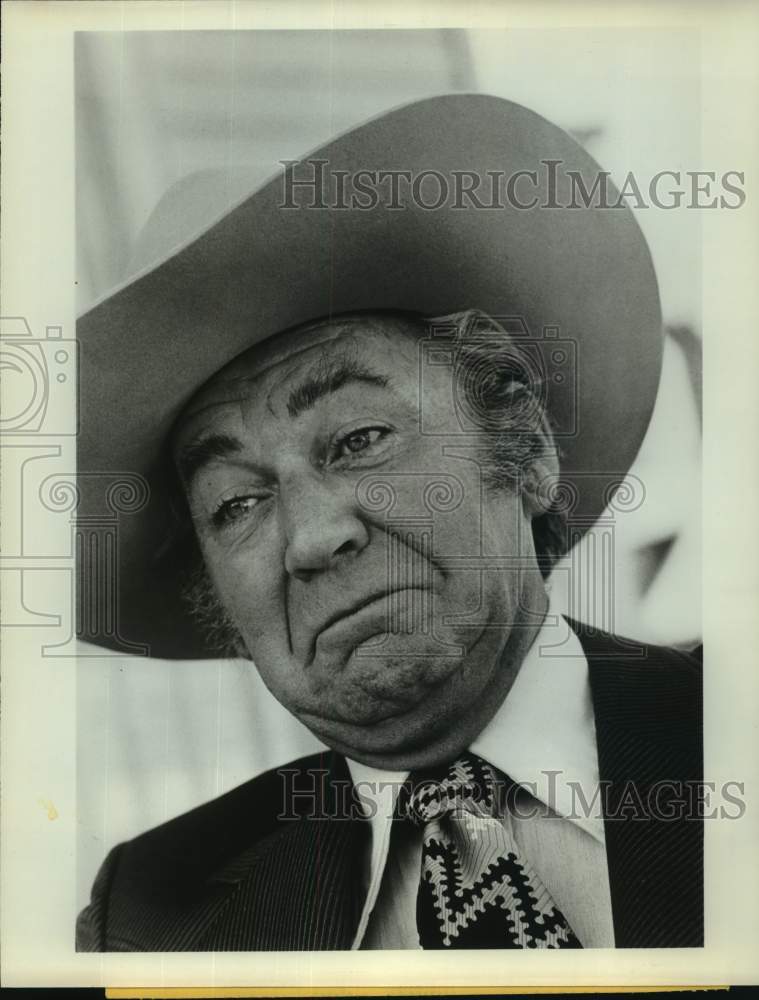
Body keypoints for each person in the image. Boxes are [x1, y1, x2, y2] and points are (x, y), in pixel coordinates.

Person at [75, 94, 702, 951]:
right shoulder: (149, 918)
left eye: (360, 438)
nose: (311, 536)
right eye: (237, 504)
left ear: (526, 449)